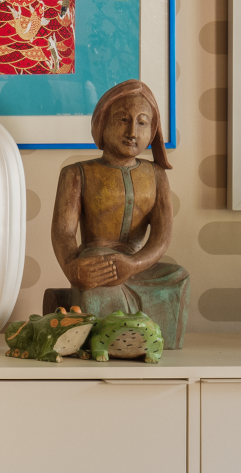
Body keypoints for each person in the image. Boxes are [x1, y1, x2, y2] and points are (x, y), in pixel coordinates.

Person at [48, 78, 177, 309]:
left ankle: (141, 331)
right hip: (98, 264)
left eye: (142, 122)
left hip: (138, 265)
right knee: (98, 275)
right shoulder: (77, 173)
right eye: (123, 119)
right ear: (102, 124)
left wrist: (133, 264)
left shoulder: (157, 175)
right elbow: (63, 232)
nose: (132, 132)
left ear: (153, 130)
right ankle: (116, 331)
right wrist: (71, 266)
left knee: (178, 276)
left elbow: (162, 237)